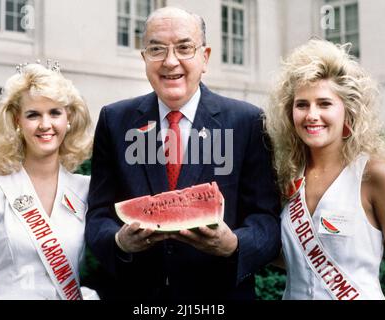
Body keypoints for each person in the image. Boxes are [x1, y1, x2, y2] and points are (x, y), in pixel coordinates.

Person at [86, 6, 281, 301]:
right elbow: (99, 214)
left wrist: (235, 244)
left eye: (184, 47)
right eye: (157, 49)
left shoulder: (248, 122)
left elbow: (266, 219)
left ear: (205, 57)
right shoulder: (114, 121)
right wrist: (118, 241)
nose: (170, 61)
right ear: (144, 59)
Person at [265, 39, 385, 300]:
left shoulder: (375, 175)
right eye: (302, 104)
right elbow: (295, 255)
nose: (311, 115)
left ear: (348, 112)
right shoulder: (286, 173)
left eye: (325, 104)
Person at [0, 62, 96, 300]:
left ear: (68, 117)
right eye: (33, 115)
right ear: (17, 121)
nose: (45, 124)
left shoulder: (86, 188)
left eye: (55, 112)